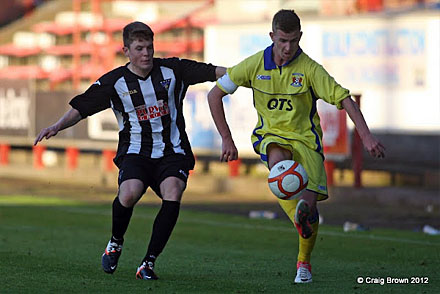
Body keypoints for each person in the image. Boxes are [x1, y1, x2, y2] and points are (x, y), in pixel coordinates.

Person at [34, 21, 226, 280]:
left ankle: (148, 263)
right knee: (129, 193)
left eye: (149, 47)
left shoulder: (173, 70)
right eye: (139, 48)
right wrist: (57, 126)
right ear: (126, 50)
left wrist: (247, 74)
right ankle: (115, 241)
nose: (146, 53)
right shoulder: (115, 82)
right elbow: (82, 107)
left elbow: (213, 71)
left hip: (173, 151)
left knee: (173, 191)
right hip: (136, 152)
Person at [207, 9, 385, 284]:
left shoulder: (310, 69)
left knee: (310, 213)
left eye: (293, 41)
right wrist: (227, 138)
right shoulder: (254, 64)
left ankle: (304, 259)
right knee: (279, 161)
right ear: (272, 37)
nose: (287, 47)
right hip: (271, 137)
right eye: (282, 41)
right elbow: (214, 93)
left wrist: (366, 136)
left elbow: (345, 99)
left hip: (307, 142)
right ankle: (298, 214)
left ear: (300, 37)